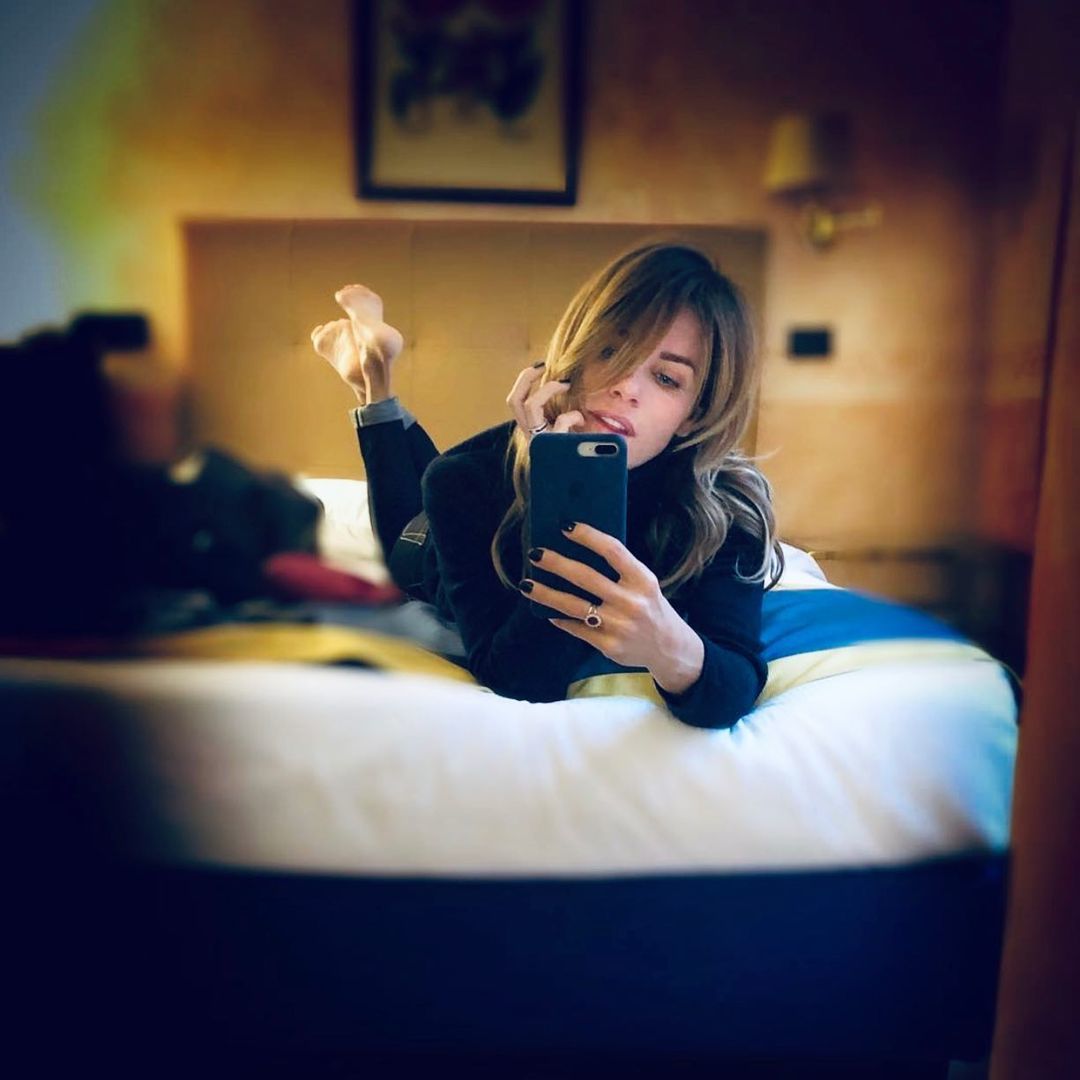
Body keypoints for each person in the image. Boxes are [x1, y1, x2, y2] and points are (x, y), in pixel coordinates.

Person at [311, 242, 783, 729]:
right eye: (611, 351)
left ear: (695, 414)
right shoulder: (464, 478)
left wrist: (668, 647)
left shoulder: (724, 506)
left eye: (666, 378)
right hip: (426, 549)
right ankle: (374, 383)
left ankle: (374, 369)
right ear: (575, 356)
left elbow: (732, 685)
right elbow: (520, 679)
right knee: (403, 536)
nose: (626, 386)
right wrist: (560, 488)